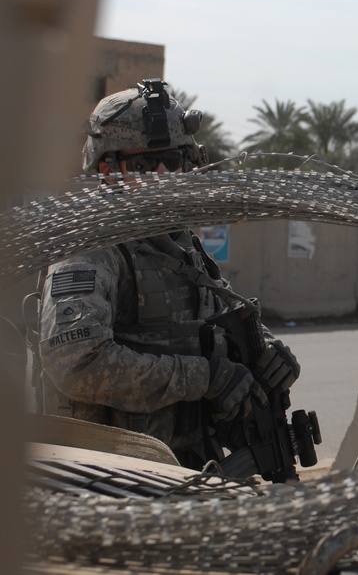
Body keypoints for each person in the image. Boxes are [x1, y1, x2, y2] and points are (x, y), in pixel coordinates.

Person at [36, 79, 301, 471]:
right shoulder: (92, 250)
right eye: (143, 164)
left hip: (189, 464)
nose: (162, 174)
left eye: (173, 161)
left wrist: (265, 349)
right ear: (107, 169)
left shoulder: (180, 243)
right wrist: (204, 378)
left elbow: (218, 313)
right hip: (111, 473)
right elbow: (75, 365)